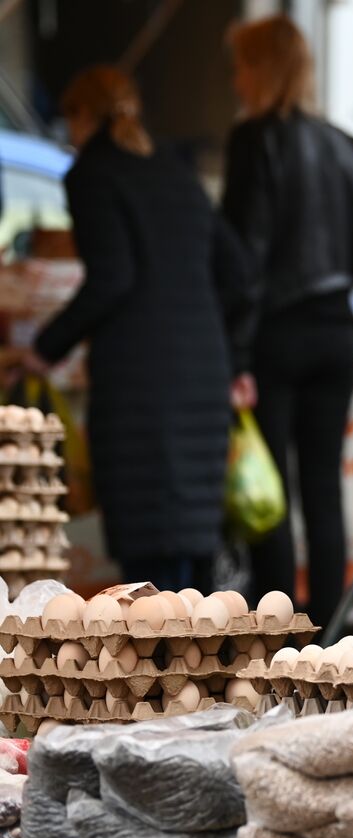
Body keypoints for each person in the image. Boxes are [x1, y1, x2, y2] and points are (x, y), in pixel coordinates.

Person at [22, 66, 250, 591]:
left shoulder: (92, 174)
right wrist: (223, 347)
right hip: (202, 375)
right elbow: (238, 273)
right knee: (194, 555)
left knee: (149, 565)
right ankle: (206, 672)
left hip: (139, 384)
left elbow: (112, 277)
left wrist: (45, 348)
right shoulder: (175, 169)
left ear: (82, 116)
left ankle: (159, 671)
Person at [222, 15, 353, 628]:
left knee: (272, 495)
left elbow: (245, 261)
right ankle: (333, 632)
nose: (235, 79)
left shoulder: (253, 140)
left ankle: (279, 633)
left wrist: (235, 357)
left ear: (260, 68)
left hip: (274, 336)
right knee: (322, 488)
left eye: (240, 65)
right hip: (335, 334)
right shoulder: (344, 144)